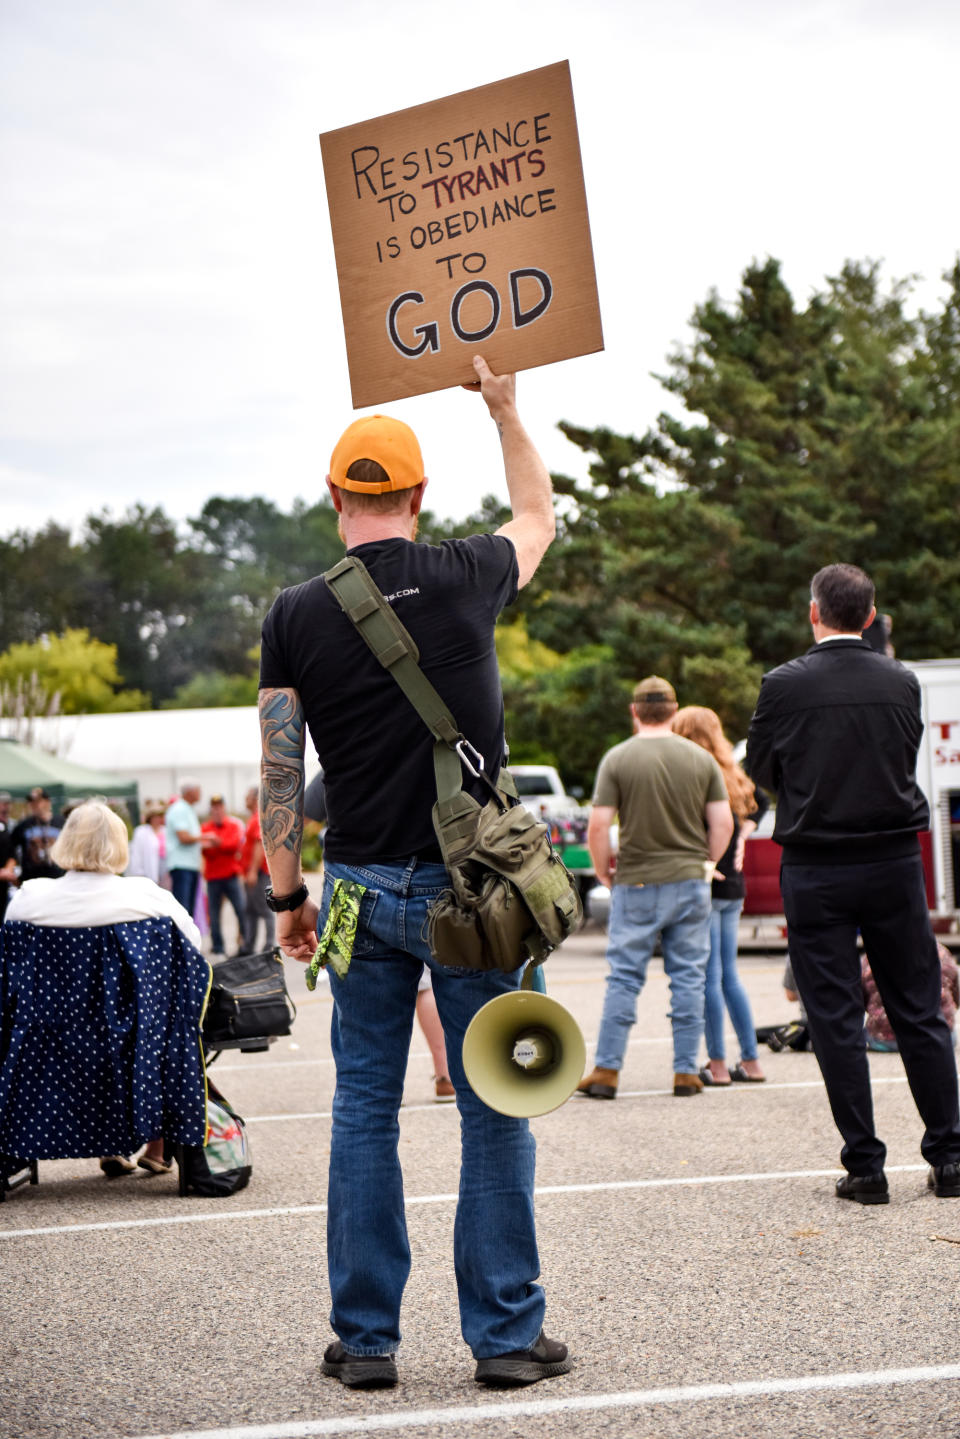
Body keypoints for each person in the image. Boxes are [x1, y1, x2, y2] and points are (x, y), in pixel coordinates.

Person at [257, 356, 571, 1390]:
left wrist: (286, 895)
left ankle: (365, 1340)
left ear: (336, 497)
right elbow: (540, 512)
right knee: (495, 1097)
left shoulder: (294, 613)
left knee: (362, 1105)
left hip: (354, 886)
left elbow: (277, 769)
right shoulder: (468, 571)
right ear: (419, 495)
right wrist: (504, 406)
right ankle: (506, 1335)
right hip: (473, 892)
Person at [746, 562, 960, 1203]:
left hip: (816, 864)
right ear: (870, 617)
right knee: (918, 1007)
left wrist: (808, 789)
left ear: (815, 612)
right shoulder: (901, 680)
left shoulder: (782, 684)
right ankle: (950, 1156)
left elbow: (761, 767)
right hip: (894, 859)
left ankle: (865, 1167)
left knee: (835, 1014)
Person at [2, 800, 206, 1177]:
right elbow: (192, 952)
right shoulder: (149, 898)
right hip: (131, 1046)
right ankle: (156, 1146)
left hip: (47, 1047)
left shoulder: (28, 900)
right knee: (162, 1023)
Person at [577, 676, 734, 1100]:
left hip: (637, 881)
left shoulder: (618, 759)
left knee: (624, 978)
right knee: (688, 978)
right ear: (673, 709)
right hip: (689, 882)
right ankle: (686, 1072)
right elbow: (723, 823)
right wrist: (707, 863)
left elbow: (598, 824)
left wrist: (603, 872)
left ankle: (607, 1071)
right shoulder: (700, 760)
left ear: (634, 711)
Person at [671, 705, 767, 1085]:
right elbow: (764, 799)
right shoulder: (732, 773)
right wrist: (743, 835)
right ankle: (753, 1061)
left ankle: (718, 1065)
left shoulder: (688, 774)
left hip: (705, 881)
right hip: (734, 887)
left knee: (708, 977)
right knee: (729, 975)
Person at [862, 942, 958, 1052]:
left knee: (864, 1034)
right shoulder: (941, 952)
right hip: (941, 1037)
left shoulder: (872, 954)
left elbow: (862, 999)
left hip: (886, 1038)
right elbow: (955, 993)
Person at [201, 795, 247, 957]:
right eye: (214, 807)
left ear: (224, 808)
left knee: (241, 910)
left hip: (231, 876)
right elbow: (206, 851)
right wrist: (219, 844)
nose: (217, 810)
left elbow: (234, 845)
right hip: (213, 877)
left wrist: (216, 842)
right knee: (214, 914)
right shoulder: (205, 828)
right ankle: (218, 946)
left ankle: (245, 943)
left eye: (219, 807)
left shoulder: (233, 825)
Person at [164, 780, 213, 917]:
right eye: (198, 790)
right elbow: (184, 837)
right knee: (183, 908)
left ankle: (186, 937)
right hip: (181, 865)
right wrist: (206, 837)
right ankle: (181, 938)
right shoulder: (179, 809)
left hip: (189, 865)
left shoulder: (187, 809)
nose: (200, 794)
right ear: (190, 792)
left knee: (189, 909)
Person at [240, 785, 275, 954]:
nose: (245, 799)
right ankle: (248, 946)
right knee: (251, 910)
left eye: (247, 796)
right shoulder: (254, 817)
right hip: (252, 872)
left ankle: (269, 945)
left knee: (264, 909)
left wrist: (253, 871)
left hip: (259, 872)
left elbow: (258, 845)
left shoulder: (258, 818)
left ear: (255, 798)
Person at [11, 786, 63, 882]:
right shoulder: (23, 825)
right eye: (31, 802)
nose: (35, 805)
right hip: (31, 879)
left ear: (47, 802)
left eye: (38, 801)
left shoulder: (61, 822)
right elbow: (11, 849)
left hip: (57, 878)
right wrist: (11, 871)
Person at [126, 801, 166, 883]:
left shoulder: (165, 831)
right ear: (150, 817)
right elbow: (136, 853)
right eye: (156, 816)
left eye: (160, 816)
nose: (158, 818)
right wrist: (138, 872)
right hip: (146, 872)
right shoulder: (141, 831)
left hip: (164, 872)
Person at [0, 790, 16, 922]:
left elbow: (12, 853)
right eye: (2, 803)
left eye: (7, 804)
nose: (6, 807)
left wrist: (9, 868)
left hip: (3, 889)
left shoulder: (6, 827)